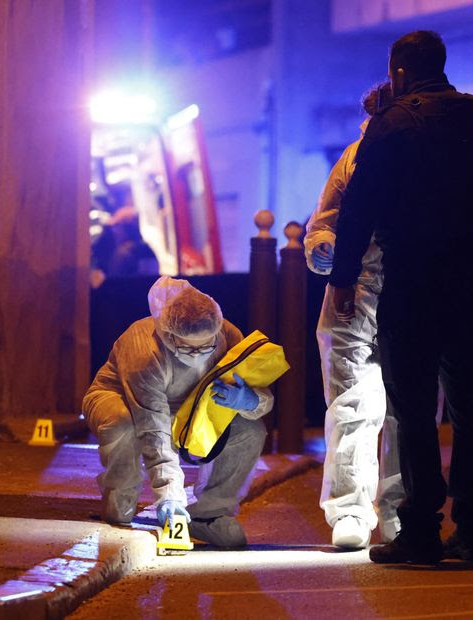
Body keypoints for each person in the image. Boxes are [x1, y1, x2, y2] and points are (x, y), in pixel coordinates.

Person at [330, 30, 473, 563]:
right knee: (472, 407)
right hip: (472, 279)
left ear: (400, 72)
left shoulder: (391, 125)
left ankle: (421, 531)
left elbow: (359, 207)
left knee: (412, 409)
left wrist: (343, 278)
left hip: (411, 280)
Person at [82, 276, 272, 547]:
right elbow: (152, 424)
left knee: (249, 431)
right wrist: (170, 495)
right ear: (167, 334)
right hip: (122, 400)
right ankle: (120, 495)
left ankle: (210, 514)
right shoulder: (143, 348)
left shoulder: (227, 334)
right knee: (123, 424)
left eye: (206, 346)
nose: (197, 354)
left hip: (190, 406)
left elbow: (260, 392)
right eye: (187, 347)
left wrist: (250, 401)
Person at [305, 83, 405, 550]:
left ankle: (398, 508)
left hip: (392, 281)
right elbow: (324, 219)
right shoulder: (354, 156)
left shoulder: (373, 152)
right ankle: (354, 509)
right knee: (353, 403)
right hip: (361, 283)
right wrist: (324, 248)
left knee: (408, 404)